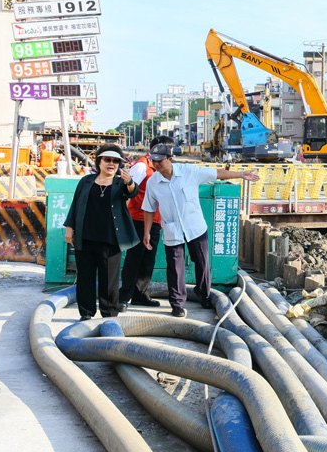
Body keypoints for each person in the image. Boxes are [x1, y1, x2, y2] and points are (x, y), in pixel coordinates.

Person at [142, 143, 260, 317]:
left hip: (195, 227)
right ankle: (177, 304)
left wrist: (242, 174)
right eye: (154, 161)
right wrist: (146, 232)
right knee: (175, 268)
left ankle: (203, 293)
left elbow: (216, 173)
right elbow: (149, 208)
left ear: (170, 159)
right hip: (172, 230)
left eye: (160, 160)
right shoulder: (153, 182)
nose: (157, 164)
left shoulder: (189, 172)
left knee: (203, 263)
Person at [64, 144, 138, 320]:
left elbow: (132, 193)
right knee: (85, 278)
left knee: (109, 281)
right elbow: (75, 206)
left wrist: (129, 182)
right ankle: (86, 313)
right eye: (107, 160)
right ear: (99, 162)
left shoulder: (121, 182)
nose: (111, 164)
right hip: (85, 237)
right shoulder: (86, 181)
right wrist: (69, 229)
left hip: (110, 240)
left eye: (115, 161)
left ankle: (109, 314)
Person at [117, 135, 175, 312]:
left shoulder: (162, 168)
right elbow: (126, 190)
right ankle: (124, 297)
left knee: (147, 260)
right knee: (134, 259)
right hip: (138, 220)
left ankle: (140, 294)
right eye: (169, 150)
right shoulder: (142, 166)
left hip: (155, 220)